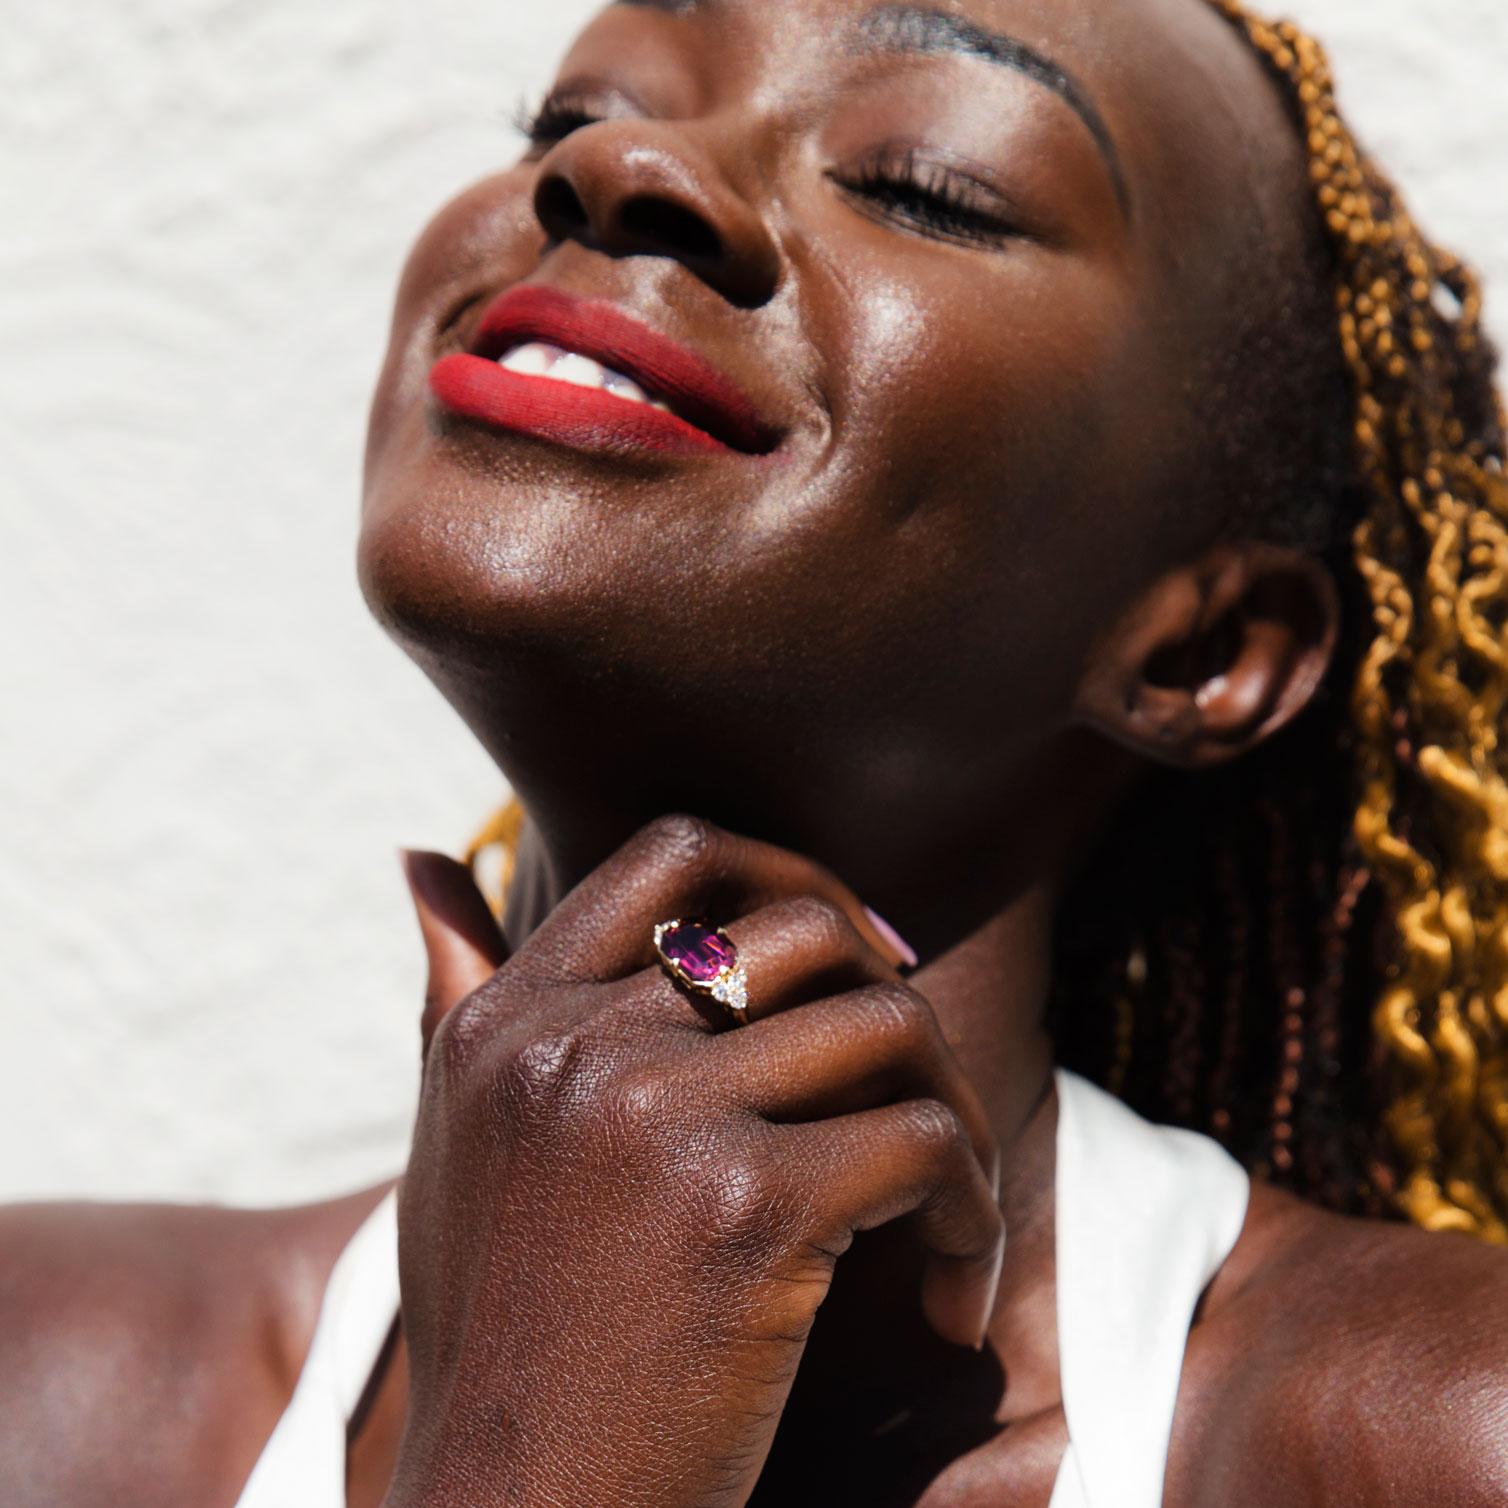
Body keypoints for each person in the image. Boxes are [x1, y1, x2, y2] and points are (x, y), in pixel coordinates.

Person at [5, 0, 1508, 1503]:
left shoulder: (1434, 1439)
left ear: (1202, 650)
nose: (625, 163)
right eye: (567, 115)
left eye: (922, 185)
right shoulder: (56, 1389)